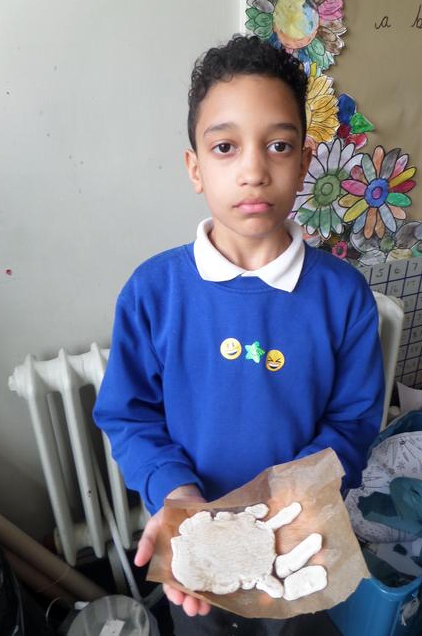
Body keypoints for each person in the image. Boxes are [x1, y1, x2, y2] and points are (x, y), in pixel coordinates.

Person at [93, 34, 384, 635]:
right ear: (195, 168)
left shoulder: (344, 296)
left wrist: (296, 504)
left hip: (299, 536)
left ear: (304, 163)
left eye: (278, 145)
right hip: (196, 539)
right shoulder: (153, 292)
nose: (253, 170)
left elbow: (354, 422)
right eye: (225, 147)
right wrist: (175, 494)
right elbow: (129, 415)